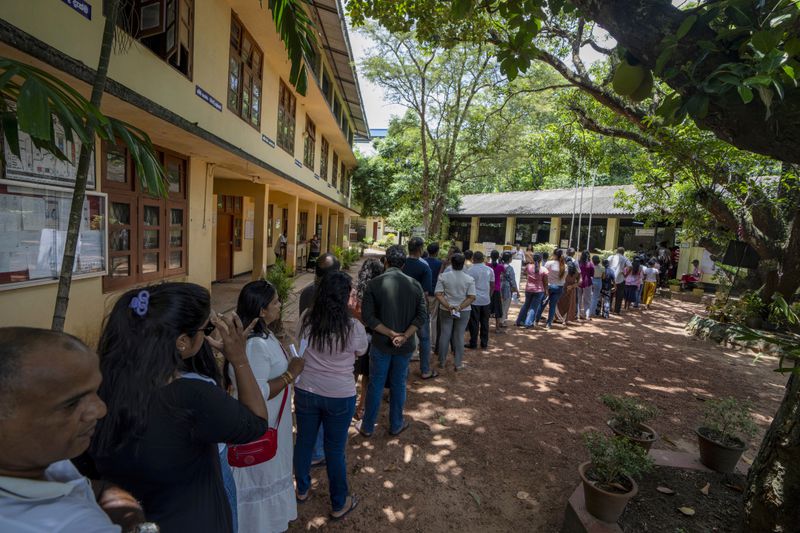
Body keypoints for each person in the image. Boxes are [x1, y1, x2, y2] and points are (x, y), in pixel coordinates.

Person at [91, 283, 271, 533]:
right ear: (182, 342)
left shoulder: (97, 391)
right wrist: (239, 358)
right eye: (206, 329)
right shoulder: (191, 396)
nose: (209, 334)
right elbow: (257, 423)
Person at [0, 328, 148, 533]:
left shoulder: (35, 457)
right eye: (71, 404)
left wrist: (107, 493)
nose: (100, 410)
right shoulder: (73, 526)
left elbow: (86, 487)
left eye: (95, 391)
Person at [229, 281, 305, 533]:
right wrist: (290, 374)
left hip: (275, 422)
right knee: (261, 476)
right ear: (261, 310)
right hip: (263, 425)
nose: (280, 305)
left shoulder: (265, 335)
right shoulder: (254, 345)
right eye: (275, 302)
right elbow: (256, 393)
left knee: (274, 469)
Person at [295, 271, 368, 521]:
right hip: (339, 394)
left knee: (304, 441)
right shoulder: (354, 327)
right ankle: (339, 502)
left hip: (306, 390)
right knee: (335, 450)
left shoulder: (307, 319)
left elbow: (299, 345)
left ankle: (302, 489)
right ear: (346, 297)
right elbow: (361, 350)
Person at [357, 245, 427, 437]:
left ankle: (368, 426)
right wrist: (404, 335)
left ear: (385, 262)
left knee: (376, 384)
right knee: (398, 384)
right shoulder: (415, 285)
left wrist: (390, 334)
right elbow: (422, 316)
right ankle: (396, 423)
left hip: (381, 344)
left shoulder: (374, 284)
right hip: (405, 346)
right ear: (403, 264)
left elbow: (368, 318)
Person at [351, 258, 385, 418]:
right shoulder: (380, 291)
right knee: (367, 375)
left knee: (352, 373)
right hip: (372, 336)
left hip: (353, 336)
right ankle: (361, 408)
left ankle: (349, 404)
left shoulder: (354, 290)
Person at [434, 253, 476, 371]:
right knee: (459, 336)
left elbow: (438, 293)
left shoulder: (443, 276)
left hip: (446, 309)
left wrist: (449, 306)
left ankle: (442, 361)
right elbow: (472, 297)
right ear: (463, 264)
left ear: (451, 263)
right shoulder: (469, 279)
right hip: (464, 311)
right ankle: (458, 363)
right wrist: (460, 307)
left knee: (445, 334)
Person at [401, 237, 432, 376]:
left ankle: (404, 371)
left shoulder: (401, 264)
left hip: (402, 307)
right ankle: (425, 370)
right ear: (421, 249)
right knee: (424, 339)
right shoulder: (424, 267)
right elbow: (425, 293)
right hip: (419, 308)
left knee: (404, 338)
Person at [465, 251, 494, 349]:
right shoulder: (490, 270)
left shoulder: (470, 270)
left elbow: (467, 286)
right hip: (486, 300)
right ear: (483, 259)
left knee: (474, 322)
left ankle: (473, 343)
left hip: (474, 300)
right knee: (485, 322)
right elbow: (492, 285)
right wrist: (489, 295)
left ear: (473, 259)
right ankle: (484, 343)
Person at [424, 242, 444, 357]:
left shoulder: (423, 262)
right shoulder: (440, 263)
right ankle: (433, 343)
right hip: (436, 292)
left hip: (424, 292)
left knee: (424, 317)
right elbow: (440, 277)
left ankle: (423, 341)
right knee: (434, 318)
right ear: (437, 251)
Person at [520, 253, 548, 329]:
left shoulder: (528, 266)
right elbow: (545, 282)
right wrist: (546, 291)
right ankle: (528, 323)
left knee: (526, 305)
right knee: (533, 307)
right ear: (541, 260)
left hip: (528, 289)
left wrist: (529, 278)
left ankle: (520, 321)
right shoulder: (544, 269)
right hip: (539, 290)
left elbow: (524, 273)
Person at [542, 249, 567, 330]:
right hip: (559, 287)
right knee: (552, 307)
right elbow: (564, 279)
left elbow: (544, 274)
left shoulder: (549, 263)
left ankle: (535, 320)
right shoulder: (565, 266)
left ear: (554, 255)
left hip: (549, 286)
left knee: (542, 304)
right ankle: (549, 324)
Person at [557, 258, 579, 326]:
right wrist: (572, 286)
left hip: (563, 288)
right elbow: (579, 282)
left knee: (560, 303)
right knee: (569, 304)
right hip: (572, 290)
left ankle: (559, 318)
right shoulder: (577, 273)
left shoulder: (564, 271)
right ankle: (566, 319)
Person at [499, 251, 519, 326]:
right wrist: (516, 291)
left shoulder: (500, 265)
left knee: (500, 304)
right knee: (505, 304)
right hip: (507, 288)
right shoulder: (510, 268)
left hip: (499, 286)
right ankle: (502, 321)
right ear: (510, 259)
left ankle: (500, 319)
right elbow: (512, 281)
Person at [608, 247, 630, 314]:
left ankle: (608, 308)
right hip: (620, 279)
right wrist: (626, 275)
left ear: (616, 251)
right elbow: (630, 266)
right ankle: (617, 311)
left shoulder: (611, 257)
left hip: (611, 278)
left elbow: (605, 262)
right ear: (623, 252)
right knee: (619, 295)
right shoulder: (625, 258)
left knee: (610, 294)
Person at [488, 250, 506, 331]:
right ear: (498, 257)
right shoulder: (501, 266)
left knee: (487, 308)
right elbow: (504, 274)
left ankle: (485, 326)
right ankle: (497, 328)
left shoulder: (487, 265)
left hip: (489, 289)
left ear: (491, 257)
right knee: (498, 309)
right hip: (497, 289)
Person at [577, 251, 595, 320]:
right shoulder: (590, 264)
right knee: (587, 300)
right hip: (587, 283)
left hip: (579, 282)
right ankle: (586, 315)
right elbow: (592, 274)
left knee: (578, 299)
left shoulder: (579, 263)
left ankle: (578, 314)